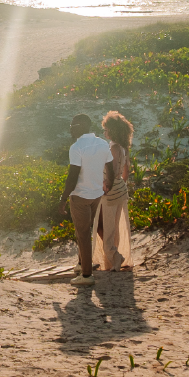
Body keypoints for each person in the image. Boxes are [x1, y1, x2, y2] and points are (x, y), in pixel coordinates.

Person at [58, 114, 114, 287]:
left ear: (80, 126)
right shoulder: (103, 144)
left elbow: (72, 176)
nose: (70, 128)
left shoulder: (77, 147)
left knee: (82, 234)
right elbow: (110, 168)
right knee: (84, 230)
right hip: (96, 195)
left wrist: (63, 198)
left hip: (80, 196)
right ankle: (81, 265)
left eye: (73, 125)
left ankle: (87, 275)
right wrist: (107, 186)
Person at [93, 110, 134, 272]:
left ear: (113, 130)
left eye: (107, 129)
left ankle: (114, 256)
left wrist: (108, 185)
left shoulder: (114, 148)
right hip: (119, 191)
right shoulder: (123, 148)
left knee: (104, 227)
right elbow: (126, 172)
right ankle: (113, 257)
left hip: (109, 192)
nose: (105, 132)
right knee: (112, 227)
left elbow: (113, 170)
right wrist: (120, 184)